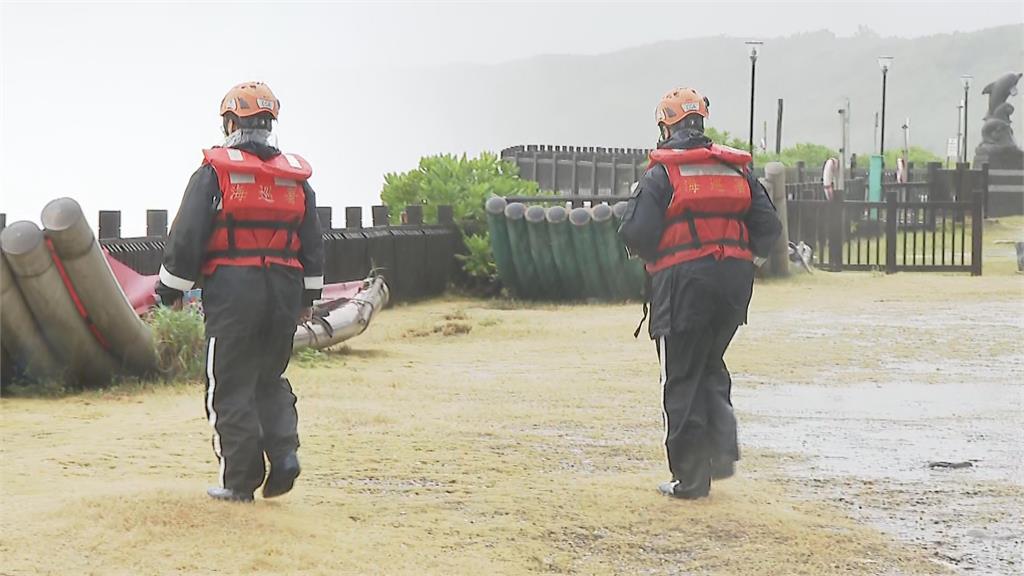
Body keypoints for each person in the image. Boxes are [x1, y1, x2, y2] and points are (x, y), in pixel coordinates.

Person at [155, 81, 325, 503]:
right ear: (269, 125)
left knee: (228, 385)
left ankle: (239, 482)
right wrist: (307, 298)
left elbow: (186, 236)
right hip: (284, 291)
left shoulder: (215, 173)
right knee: (270, 376)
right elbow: (313, 242)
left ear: (231, 122)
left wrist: (168, 290)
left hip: (234, 291)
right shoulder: (294, 179)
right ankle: (285, 455)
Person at [618, 87, 782, 499]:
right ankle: (720, 454)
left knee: (683, 376)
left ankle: (690, 479)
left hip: (683, 285)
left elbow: (635, 232)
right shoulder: (738, 169)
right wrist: (746, 265)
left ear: (665, 126)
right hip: (733, 287)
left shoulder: (663, 172)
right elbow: (768, 227)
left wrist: (662, 259)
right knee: (711, 364)